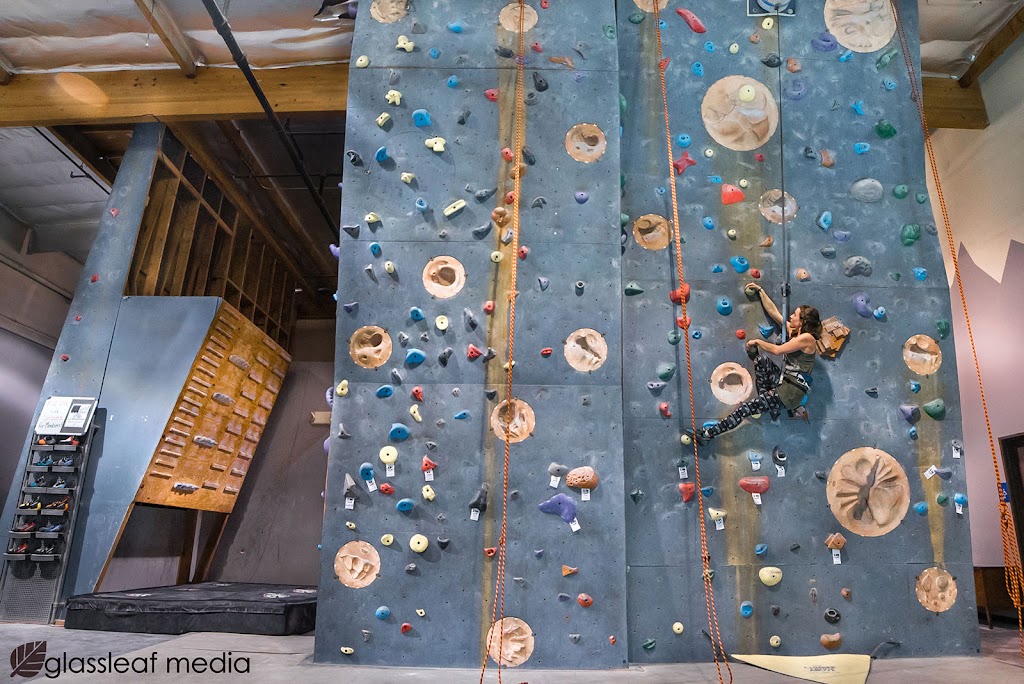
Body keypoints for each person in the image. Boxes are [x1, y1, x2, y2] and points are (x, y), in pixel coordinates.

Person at [697, 283, 821, 442]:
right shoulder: (795, 333)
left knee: (744, 409)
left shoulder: (807, 339)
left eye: (795, 315)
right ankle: (771, 406)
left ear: (803, 322)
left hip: (791, 392)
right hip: (785, 382)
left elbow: (778, 350)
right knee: (761, 361)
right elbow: (773, 312)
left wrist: (757, 342)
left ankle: (708, 435)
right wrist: (761, 290)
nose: (791, 316)